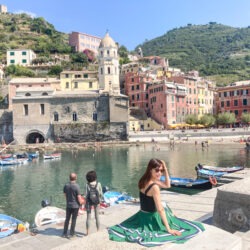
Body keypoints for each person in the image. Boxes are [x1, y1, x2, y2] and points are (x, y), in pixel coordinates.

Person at [108, 159, 205, 247]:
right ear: (151, 170)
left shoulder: (144, 180)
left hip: (142, 215)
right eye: (157, 170)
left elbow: (167, 185)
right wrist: (169, 229)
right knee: (190, 226)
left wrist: (166, 169)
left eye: (161, 170)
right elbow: (160, 209)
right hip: (151, 218)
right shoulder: (154, 187)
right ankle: (169, 225)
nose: (160, 173)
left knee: (165, 207)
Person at [62, 173, 83, 238]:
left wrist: (68, 201)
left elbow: (65, 195)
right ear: (75, 178)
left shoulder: (66, 185)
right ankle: (71, 233)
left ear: (69, 178)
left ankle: (64, 233)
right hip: (75, 206)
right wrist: (82, 203)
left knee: (67, 219)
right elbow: (79, 197)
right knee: (73, 220)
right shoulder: (77, 186)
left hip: (68, 205)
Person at [85, 170, 103, 235]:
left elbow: (86, 195)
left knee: (88, 218)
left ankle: (87, 232)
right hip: (97, 201)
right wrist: (100, 200)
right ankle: (98, 230)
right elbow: (101, 194)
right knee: (97, 216)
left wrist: (86, 203)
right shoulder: (99, 184)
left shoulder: (87, 185)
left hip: (89, 202)